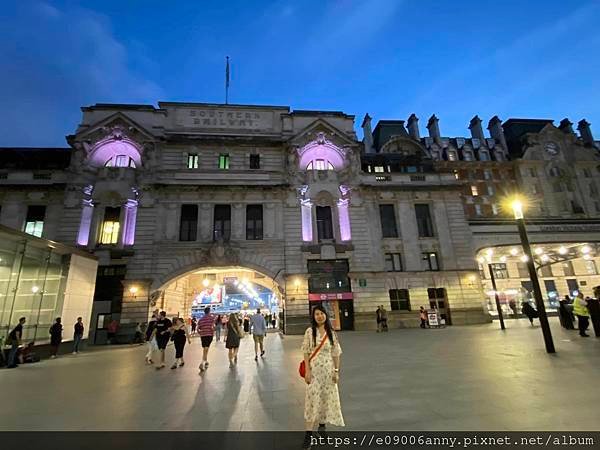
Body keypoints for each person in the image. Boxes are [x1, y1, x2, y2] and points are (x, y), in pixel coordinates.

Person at [301, 305, 344, 449]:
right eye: (317, 314)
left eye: (322, 313)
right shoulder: (309, 332)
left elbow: (336, 352)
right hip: (314, 373)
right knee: (313, 400)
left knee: (325, 399)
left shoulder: (331, 333)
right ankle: (308, 435)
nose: (319, 316)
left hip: (328, 372)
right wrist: (307, 371)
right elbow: (306, 352)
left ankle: (322, 427)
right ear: (313, 317)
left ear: (326, 314)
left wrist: (336, 371)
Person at [197, 307, 215, 372]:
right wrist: (213, 331)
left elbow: (198, 328)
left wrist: (200, 333)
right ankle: (202, 362)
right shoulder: (212, 318)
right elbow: (213, 327)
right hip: (209, 335)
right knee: (206, 348)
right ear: (209, 311)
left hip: (203, 335)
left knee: (205, 348)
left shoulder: (201, 319)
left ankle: (206, 361)